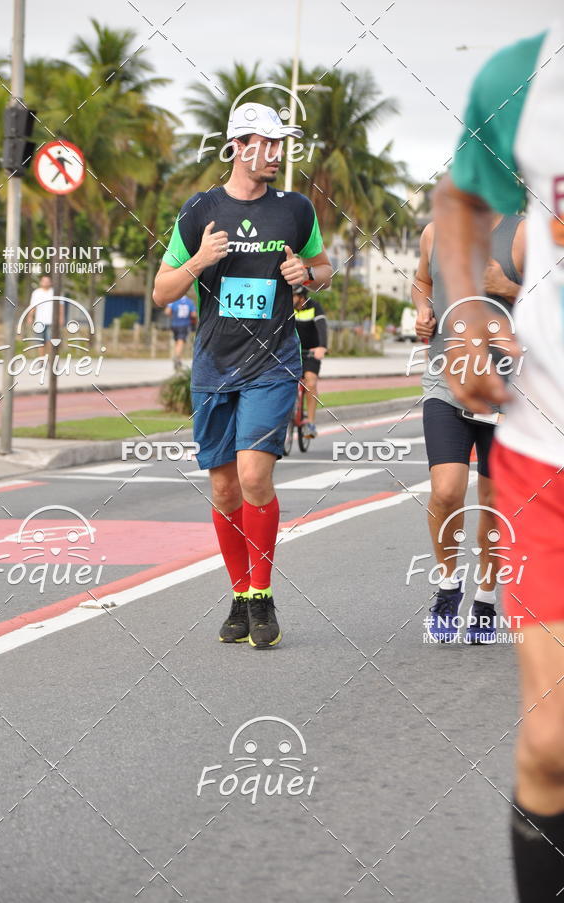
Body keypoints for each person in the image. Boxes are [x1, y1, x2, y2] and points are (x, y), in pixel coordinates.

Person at [433, 22, 564, 902]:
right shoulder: (524, 75)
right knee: (553, 739)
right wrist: (470, 305)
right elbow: (460, 200)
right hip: (546, 444)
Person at [153, 101, 332, 648]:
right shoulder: (200, 210)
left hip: (273, 362)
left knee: (255, 477)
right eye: (269, 143)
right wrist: (199, 259)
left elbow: (324, 268)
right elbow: (163, 291)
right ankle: (239, 593)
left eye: (281, 145)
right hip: (213, 366)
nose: (277, 154)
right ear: (239, 145)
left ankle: (262, 592)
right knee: (225, 487)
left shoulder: (296, 210)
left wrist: (309, 273)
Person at [412, 215, 524, 643]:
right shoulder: (436, 230)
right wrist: (423, 309)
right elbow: (422, 281)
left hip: (508, 393)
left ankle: (486, 599)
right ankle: (447, 587)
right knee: (445, 491)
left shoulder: (524, 233)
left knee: (493, 501)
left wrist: (509, 289)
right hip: (446, 383)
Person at [292, 285, 328, 438]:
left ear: (301, 296)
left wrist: (322, 346)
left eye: (293, 295)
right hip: (292, 353)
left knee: (310, 383)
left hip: (311, 353)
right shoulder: (286, 307)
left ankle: (311, 423)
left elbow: (322, 328)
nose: (290, 299)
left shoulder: (314, 307)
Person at [165, 295, 197, 371]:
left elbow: (167, 311)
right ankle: (177, 357)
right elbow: (194, 314)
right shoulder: (189, 302)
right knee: (181, 341)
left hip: (175, 324)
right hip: (184, 324)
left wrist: (173, 316)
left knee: (177, 341)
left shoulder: (173, 300)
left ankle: (178, 357)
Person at [29, 274, 54, 354]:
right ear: (40, 282)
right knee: (40, 342)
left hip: (51, 321)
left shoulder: (54, 292)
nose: (46, 283)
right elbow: (33, 306)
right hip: (39, 321)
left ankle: (51, 360)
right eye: (44, 281)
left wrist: (61, 318)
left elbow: (60, 306)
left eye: (47, 281)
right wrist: (30, 317)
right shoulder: (36, 293)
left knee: (50, 341)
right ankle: (42, 361)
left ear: (50, 282)